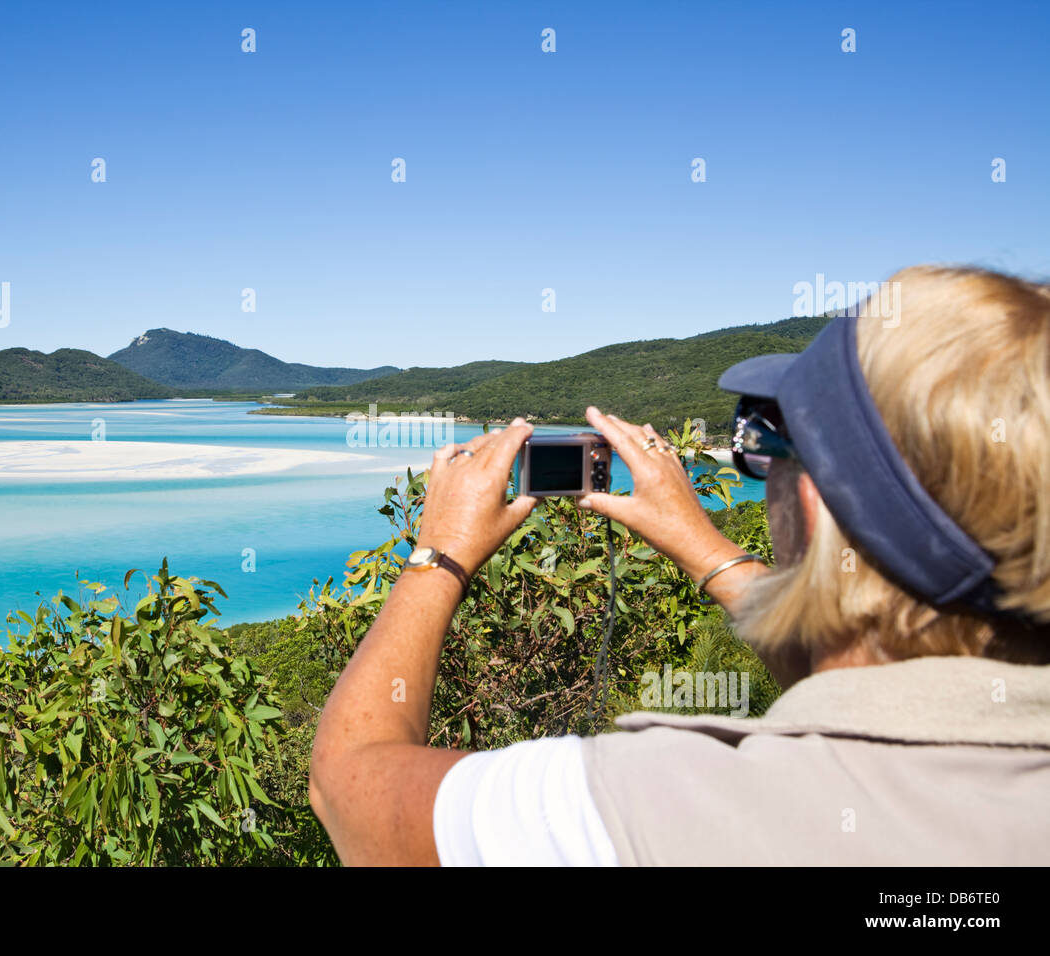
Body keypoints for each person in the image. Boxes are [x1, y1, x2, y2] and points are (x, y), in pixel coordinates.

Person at [308, 265, 1050, 866]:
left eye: (766, 444)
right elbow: (879, 666)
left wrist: (438, 556)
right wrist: (702, 543)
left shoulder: (671, 810)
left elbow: (347, 789)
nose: (760, 463)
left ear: (819, 504)